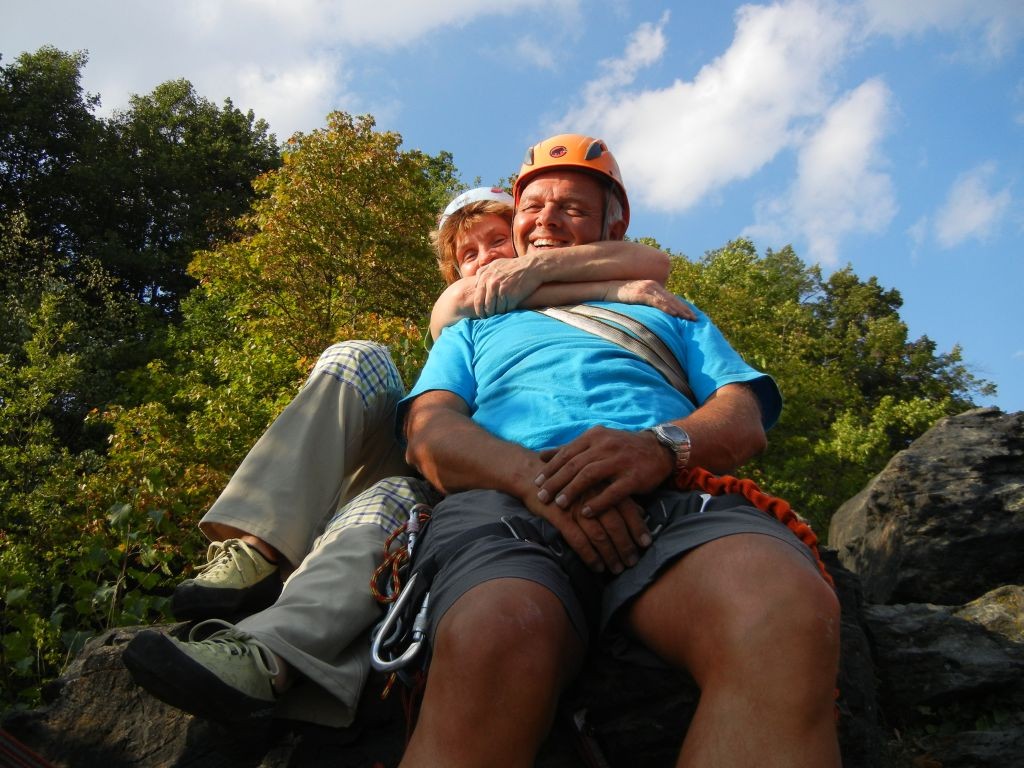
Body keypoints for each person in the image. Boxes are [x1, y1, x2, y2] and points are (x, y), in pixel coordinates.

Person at [122, 187, 693, 727]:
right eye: (467, 255)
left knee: (389, 503)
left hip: (455, 480)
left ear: (524, 243)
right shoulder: (467, 316)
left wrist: (588, 282)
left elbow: (650, 260)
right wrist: (616, 288)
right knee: (359, 357)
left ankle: (267, 656)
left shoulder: (559, 307)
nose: (485, 259)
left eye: (498, 243)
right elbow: (464, 306)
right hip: (430, 449)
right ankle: (253, 547)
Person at [397, 134, 841, 767]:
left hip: (671, 492)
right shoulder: (474, 324)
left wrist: (662, 449)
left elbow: (741, 417)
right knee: (491, 636)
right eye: (532, 207)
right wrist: (535, 479)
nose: (545, 220)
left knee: (782, 613)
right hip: (507, 498)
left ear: (614, 223)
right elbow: (431, 433)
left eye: (571, 208)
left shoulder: (669, 311)